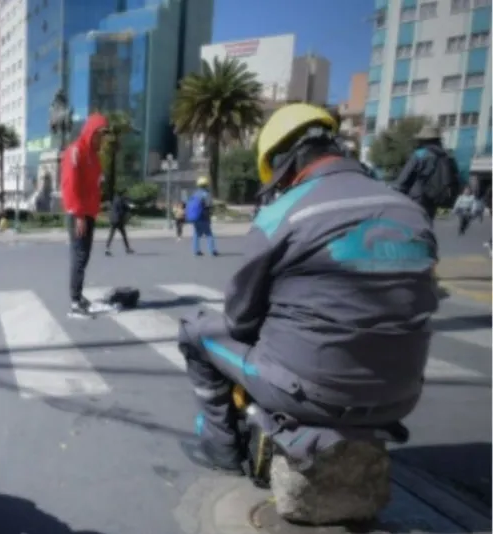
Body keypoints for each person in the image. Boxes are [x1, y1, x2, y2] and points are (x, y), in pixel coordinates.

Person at [178, 102, 438, 472]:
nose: (280, 188)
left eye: (279, 180)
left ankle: (221, 449)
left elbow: (240, 321)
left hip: (309, 392)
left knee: (194, 330)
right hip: (401, 395)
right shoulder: (409, 210)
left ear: (286, 162)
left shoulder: (283, 213)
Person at [61, 113, 108, 318]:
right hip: (78, 214)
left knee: (85, 256)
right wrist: (78, 213)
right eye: (99, 135)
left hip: (88, 213)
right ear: (91, 133)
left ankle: (78, 296)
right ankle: (74, 301)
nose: (102, 140)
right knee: (79, 256)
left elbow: (95, 184)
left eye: (103, 136)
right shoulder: (76, 151)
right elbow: (70, 185)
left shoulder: (93, 156)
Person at [392, 124, 460, 222]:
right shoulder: (448, 156)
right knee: (427, 225)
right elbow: (456, 178)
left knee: (414, 225)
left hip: (418, 198)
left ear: (423, 140)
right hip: (438, 200)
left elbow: (403, 179)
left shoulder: (420, 154)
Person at [186, 176, 218, 257]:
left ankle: (196, 250)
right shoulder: (206, 194)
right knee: (209, 234)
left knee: (197, 233)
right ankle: (212, 250)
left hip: (195, 217)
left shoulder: (195, 194)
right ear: (206, 185)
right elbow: (209, 205)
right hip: (203, 217)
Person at [105, 190, 133, 255]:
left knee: (111, 235)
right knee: (124, 235)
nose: (125, 195)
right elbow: (124, 208)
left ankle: (107, 248)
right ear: (122, 194)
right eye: (124, 194)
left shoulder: (115, 199)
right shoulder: (121, 200)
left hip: (113, 220)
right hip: (118, 220)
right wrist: (130, 207)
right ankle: (127, 248)